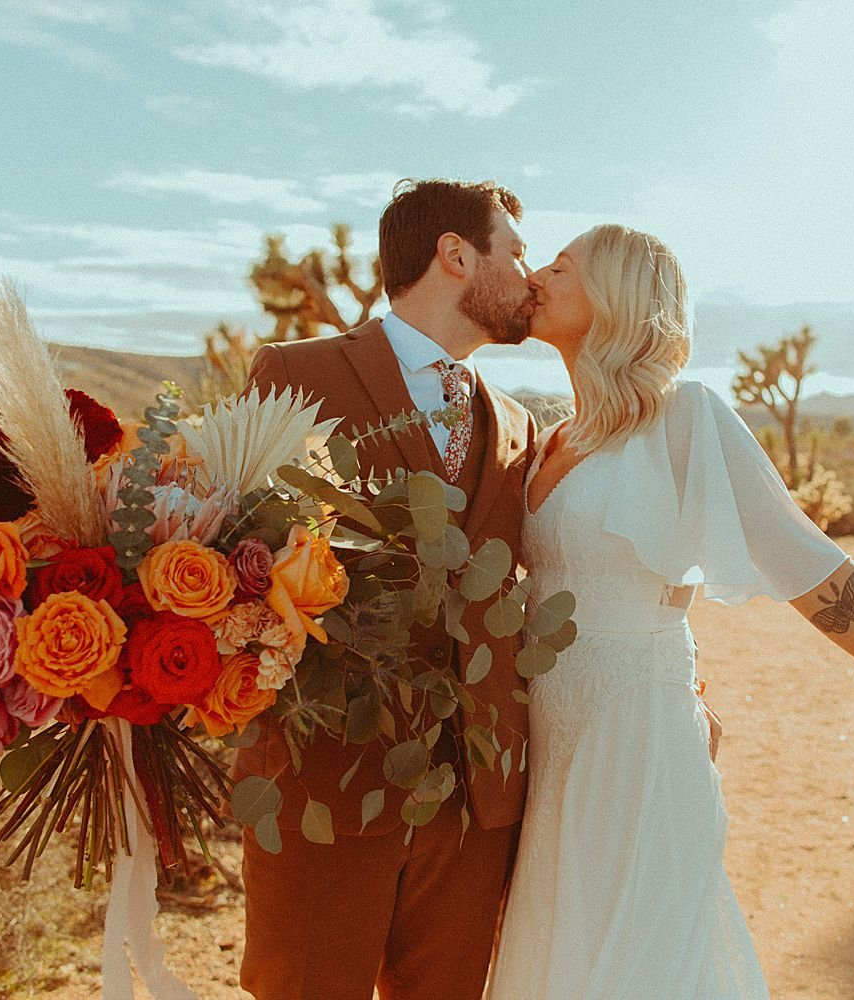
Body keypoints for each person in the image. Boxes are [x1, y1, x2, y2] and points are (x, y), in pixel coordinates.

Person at [484, 224, 854, 1000]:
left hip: (637, 738)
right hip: (551, 742)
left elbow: (811, 567)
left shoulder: (684, 417)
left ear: (619, 299)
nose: (538, 276)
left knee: (634, 969)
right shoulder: (549, 436)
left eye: (561, 266)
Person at [234, 177, 539, 1000]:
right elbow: (236, 558)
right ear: (455, 255)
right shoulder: (295, 374)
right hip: (323, 779)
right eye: (516, 253)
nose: (530, 276)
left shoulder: (518, 421)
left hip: (472, 797)